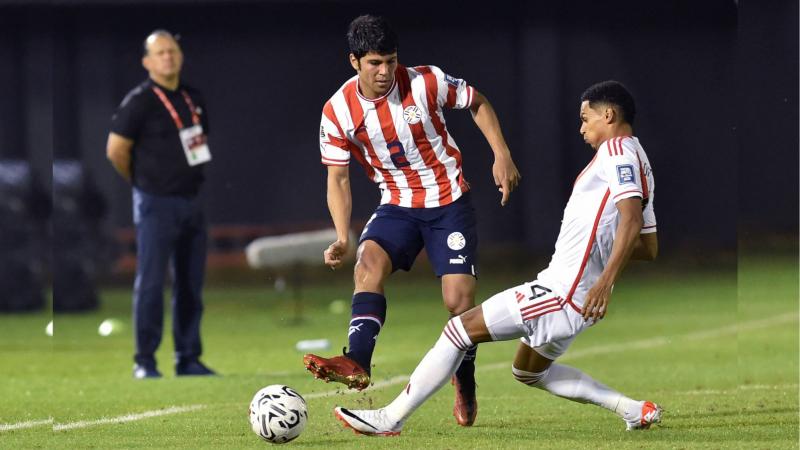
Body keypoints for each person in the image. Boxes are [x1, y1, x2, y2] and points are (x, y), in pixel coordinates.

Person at [333, 80, 662, 435]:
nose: (581, 128)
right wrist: (595, 261)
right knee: (529, 371)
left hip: (563, 292)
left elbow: (630, 219)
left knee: (458, 330)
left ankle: (390, 418)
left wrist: (602, 280)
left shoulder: (616, 152)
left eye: (586, 118)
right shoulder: (639, 159)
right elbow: (648, 247)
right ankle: (632, 410)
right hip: (575, 292)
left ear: (608, 115)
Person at [304, 15, 521, 427]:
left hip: (448, 201)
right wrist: (342, 236)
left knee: (458, 302)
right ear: (354, 61)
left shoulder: (425, 82)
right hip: (397, 204)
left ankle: (465, 377)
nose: (385, 71)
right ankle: (357, 361)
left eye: (391, 61)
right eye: (375, 63)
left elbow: (476, 101)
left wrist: (501, 153)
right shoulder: (337, 111)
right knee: (367, 265)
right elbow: (338, 178)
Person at [106, 30, 216, 379]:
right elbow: (115, 150)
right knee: (151, 283)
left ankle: (188, 358)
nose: (168, 57)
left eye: (172, 51)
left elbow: (199, 141)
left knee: (190, 284)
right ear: (147, 62)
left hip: (192, 199)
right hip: (155, 202)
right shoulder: (139, 101)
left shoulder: (192, 97)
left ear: (180, 56)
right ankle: (145, 361)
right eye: (160, 52)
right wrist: (143, 184)